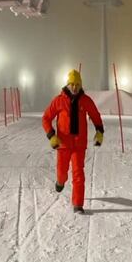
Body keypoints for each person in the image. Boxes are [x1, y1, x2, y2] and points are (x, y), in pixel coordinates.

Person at [42, 69, 104, 214]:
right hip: (62, 144)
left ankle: (78, 205)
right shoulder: (59, 100)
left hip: (79, 145)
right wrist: (51, 135)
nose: (74, 87)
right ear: (68, 84)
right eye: (72, 84)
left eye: (77, 84)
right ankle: (60, 181)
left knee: (78, 174)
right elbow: (45, 118)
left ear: (81, 84)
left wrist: (99, 131)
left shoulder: (86, 100)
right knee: (62, 172)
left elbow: (95, 115)